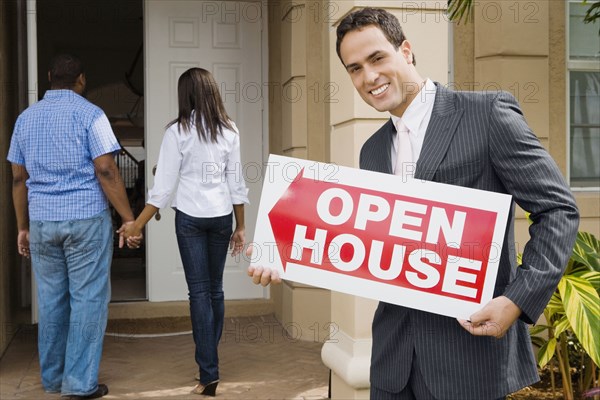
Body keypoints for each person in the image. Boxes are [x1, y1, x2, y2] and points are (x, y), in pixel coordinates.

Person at [249, 7, 580, 400]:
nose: (368, 77)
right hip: (392, 363)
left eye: (377, 58)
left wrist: (516, 300)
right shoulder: (372, 151)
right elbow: (366, 247)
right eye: (354, 68)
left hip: (467, 360)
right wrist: (283, 249)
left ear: (405, 51)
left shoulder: (487, 114)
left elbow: (558, 209)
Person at [7, 53, 136, 399]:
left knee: (51, 301)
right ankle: (78, 384)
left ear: (49, 76)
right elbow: (107, 170)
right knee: (88, 300)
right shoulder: (91, 115)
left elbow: (19, 180)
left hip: (42, 221)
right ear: (81, 80)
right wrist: (127, 218)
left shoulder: (25, 119)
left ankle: (52, 379)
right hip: (85, 220)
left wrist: (23, 227)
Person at [121, 67, 248, 397]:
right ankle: (210, 359)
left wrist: (137, 224)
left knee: (199, 292)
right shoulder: (230, 130)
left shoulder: (177, 131)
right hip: (222, 217)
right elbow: (237, 183)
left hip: (190, 218)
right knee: (215, 289)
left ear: (185, 95)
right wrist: (241, 226)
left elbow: (162, 190)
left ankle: (209, 371)